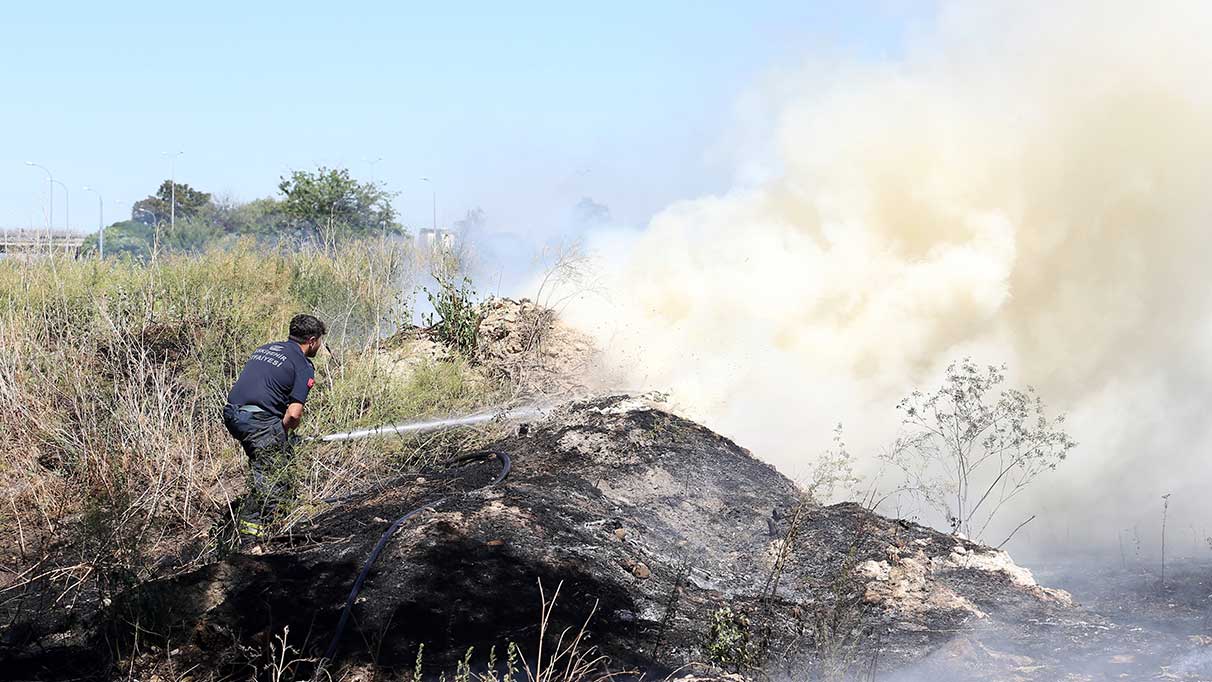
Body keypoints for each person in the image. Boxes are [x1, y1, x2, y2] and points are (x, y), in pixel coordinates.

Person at [223, 314, 326, 538]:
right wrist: (283, 432)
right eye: (319, 341)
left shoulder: (265, 349)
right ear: (311, 341)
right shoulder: (303, 365)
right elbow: (294, 413)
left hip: (233, 414)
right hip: (258, 421)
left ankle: (276, 526)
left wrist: (277, 435)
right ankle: (250, 540)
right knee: (274, 479)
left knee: (278, 467)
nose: (320, 345)